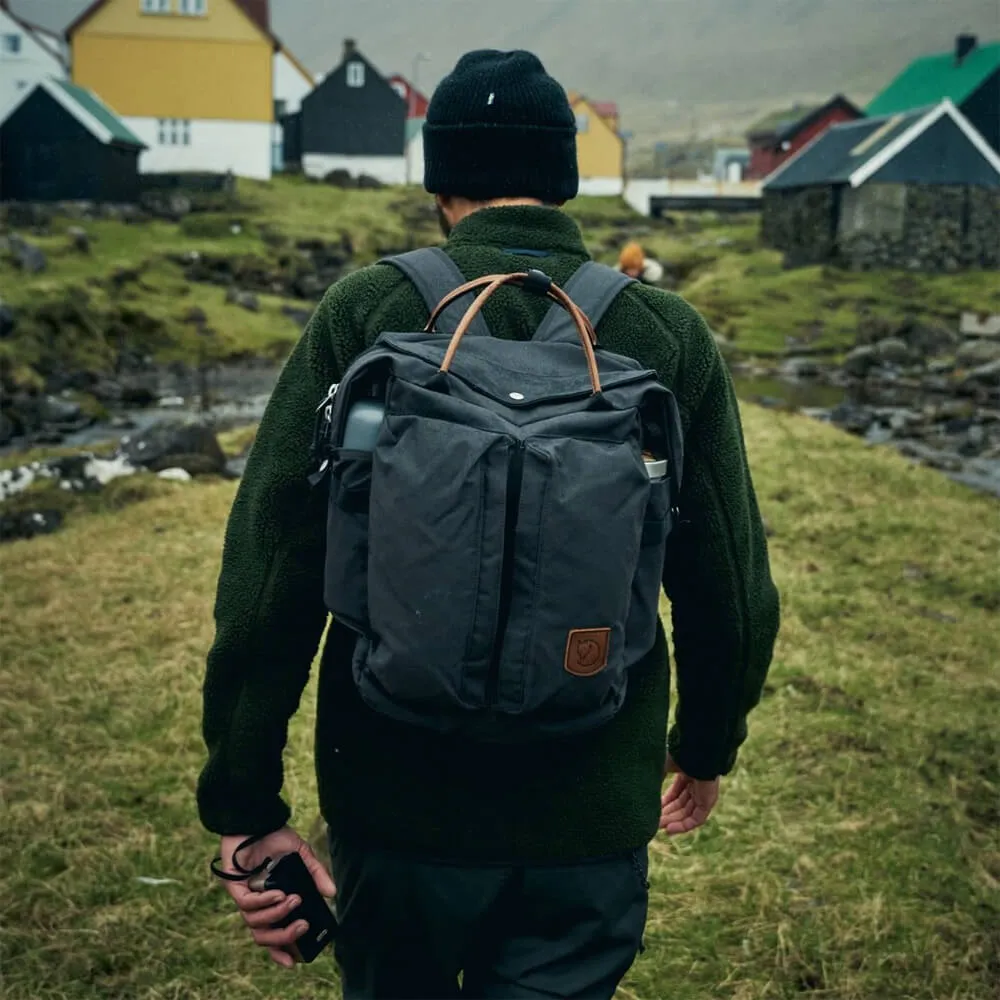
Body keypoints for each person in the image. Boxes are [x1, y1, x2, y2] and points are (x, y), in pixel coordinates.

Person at [198, 48, 780, 1000]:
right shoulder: (662, 333)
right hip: (585, 820)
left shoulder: (370, 311)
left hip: (396, 809)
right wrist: (705, 746)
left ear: (441, 180)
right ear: (563, 178)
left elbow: (271, 571)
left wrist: (244, 800)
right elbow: (732, 589)